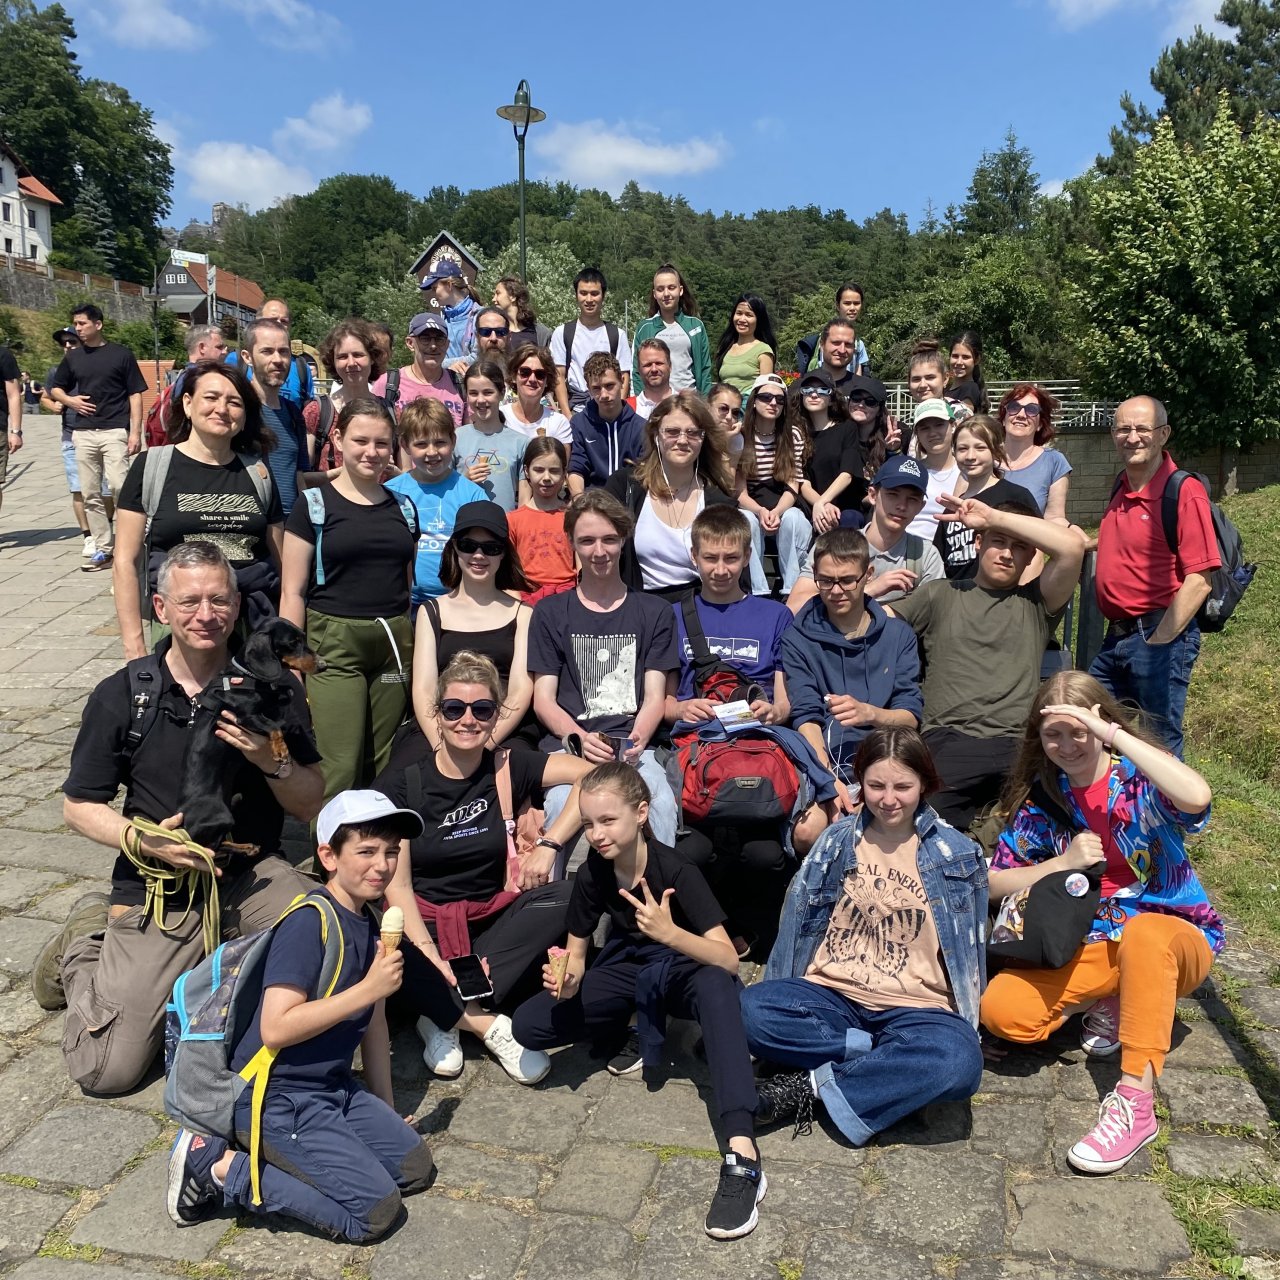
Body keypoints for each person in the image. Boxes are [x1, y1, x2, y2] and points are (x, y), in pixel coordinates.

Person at [34, 541, 323, 1094]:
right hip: (160, 885)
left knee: (331, 939)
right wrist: (141, 840)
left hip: (250, 874)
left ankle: (196, 973)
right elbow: (78, 807)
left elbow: (310, 801)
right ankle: (87, 939)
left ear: (239, 607)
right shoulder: (125, 695)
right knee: (107, 1072)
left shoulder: (276, 687)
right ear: (161, 609)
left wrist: (272, 760)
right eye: (189, 602)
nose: (206, 615)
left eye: (219, 600)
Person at [512, 763, 767, 1241]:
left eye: (608, 821)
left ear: (642, 813)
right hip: (631, 968)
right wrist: (565, 980)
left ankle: (742, 1153)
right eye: (589, 823)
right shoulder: (593, 872)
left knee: (718, 989)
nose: (597, 833)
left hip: (689, 966)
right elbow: (578, 951)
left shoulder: (677, 870)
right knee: (530, 1026)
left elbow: (728, 958)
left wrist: (670, 932)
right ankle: (632, 1025)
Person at [166, 790, 436, 1241]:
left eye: (391, 852)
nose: (383, 865)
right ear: (328, 855)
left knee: (414, 1169)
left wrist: (385, 1109)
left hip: (332, 1086)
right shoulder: (308, 923)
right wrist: (369, 988)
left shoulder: (370, 923)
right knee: (376, 1212)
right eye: (366, 851)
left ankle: (297, 1152)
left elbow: (374, 1023)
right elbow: (276, 1028)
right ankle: (218, 1166)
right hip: (276, 1097)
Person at [981, 672, 1221, 1173]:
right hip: (1094, 943)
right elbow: (991, 881)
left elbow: (1196, 797)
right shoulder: (1046, 799)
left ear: (1101, 724)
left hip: (1175, 938)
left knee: (1146, 932)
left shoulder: (1137, 780)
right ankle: (1116, 994)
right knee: (1004, 1013)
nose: (1067, 745)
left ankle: (1135, 1101)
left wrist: (1114, 735)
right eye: (1053, 735)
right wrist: (1057, 864)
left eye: (1079, 731)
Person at [740, 728, 986, 1147]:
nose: (889, 799)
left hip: (916, 1007)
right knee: (747, 1010)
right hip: (832, 996)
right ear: (860, 783)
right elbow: (798, 923)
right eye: (876, 785)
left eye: (903, 786)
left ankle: (809, 1088)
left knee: (960, 1062)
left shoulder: (958, 854)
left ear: (924, 783)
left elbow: (972, 950)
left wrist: (975, 1021)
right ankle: (884, 1070)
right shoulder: (836, 841)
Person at [376, 651, 591, 1082]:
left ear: (497, 717)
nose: (468, 720)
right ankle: (480, 1021)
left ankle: (438, 1012)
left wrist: (549, 845)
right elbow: (396, 889)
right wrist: (433, 957)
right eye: (454, 708)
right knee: (383, 944)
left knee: (575, 891)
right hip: (426, 922)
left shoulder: (508, 766)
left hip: (491, 916)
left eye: (482, 709)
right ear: (437, 715)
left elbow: (594, 777)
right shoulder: (402, 784)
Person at [889, 495, 1085, 830]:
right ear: (978, 543)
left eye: (1020, 547)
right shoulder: (940, 594)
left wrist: (994, 516)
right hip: (950, 739)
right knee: (922, 826)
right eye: (997, 542)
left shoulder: (1036, 604)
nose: (1007, 554)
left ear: (1030, 556)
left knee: (1065, 827)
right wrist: (874, 590)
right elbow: (872, 627)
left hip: (1019, 743)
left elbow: (1072, 548)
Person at [280, 398, 416, 801]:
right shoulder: (314, 505)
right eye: (361, 440)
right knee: (340, 760)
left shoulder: (404, 507)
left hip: (392, 640)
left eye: (381, 443)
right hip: (334, 642)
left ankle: (377, 850)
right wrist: (292, 665)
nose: (371, 452)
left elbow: (403, 583)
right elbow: (292, 591)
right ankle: (330, 858)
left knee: (386, 758)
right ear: (338, 438)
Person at [528, 490, 680, 848]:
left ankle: (656, 899)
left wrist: (635, 740)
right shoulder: (550, 613)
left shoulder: (654, 612)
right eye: (587, 541)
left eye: (610, 539)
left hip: (634, 748)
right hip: (570, 750)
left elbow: (655, 696)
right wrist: (580, 739)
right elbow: (543, 701)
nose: (599, 552)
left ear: (624, 539)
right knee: (561, 807)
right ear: (572, 543)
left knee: (659, 806)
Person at [113, 360, 283, 661]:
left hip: (250, 627)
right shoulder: (152, 467)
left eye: (234, 402)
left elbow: (281, 563)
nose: (222, 408)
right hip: (178, 627)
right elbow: (125, 560)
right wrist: (134, 645)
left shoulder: (259, 474)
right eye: (211, 397)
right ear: (188, 404)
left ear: (245, 416)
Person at [1088, 395, 1220, 758]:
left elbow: (1200, 578)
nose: (1132, 437)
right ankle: (1114, 809)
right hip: (1116, 635)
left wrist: (1158, 641)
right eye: (1123, 429)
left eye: (1142, 429)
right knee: (1089, 721)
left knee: (1158, 741)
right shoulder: (1122, 484)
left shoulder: (1183, 491)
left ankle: (1171, 814)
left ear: (1163, 434)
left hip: (1157, 633)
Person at [781, 529, 922, 799]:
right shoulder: (796, 638)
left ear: (868, 575)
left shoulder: (898, 635)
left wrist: (870, 714)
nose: (836, 591)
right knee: (808, 831)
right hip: (822, 757)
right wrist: (827, 779)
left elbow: (910, 717)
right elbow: (806, 715)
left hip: (886, 757)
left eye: (847, 581)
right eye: (825, 581)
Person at [403, 504, 533, 758]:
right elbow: (424, 689)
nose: (479, 555)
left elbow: (520, 690)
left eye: (491, 548)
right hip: (440, 728)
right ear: (454, 548)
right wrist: (443, 746)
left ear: (503, 554)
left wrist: (483, 744)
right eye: (468, 545)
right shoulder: (430, 612)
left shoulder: (524, 614)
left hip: (504, 732)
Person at [604, 390, 740, 598]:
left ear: (703, 439)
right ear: (656, 435)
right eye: (673, 432)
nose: (683, 440)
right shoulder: (625, 487)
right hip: (639, 607)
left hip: (697, 610)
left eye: (693, 433)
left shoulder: (718, 501)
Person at [46, 302, 146, 572]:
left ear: (98, 324)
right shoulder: (73, 357)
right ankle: (103, 548)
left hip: (115, 430)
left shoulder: (121, 354)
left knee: (118, 487)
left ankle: (132, 544)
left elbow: (135, 393)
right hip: (83, 432)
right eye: (76, 324)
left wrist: (135, 431)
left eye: (82, 324)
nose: (77, 329)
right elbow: (55, 389)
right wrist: (71, 401)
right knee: (90, 493)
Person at [787, 456, 946, 613]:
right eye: (893, 494)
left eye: (912, 499)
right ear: (872, 495)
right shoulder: (833, 546)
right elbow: (794, 608)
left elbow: (936, 615)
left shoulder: (925, 555)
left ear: (921, 506)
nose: (902, 506)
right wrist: (870, 591)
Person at [383, 398, 487, 606]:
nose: (432, 452)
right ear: (405, 445)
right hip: (404, 602)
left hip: (459, 601)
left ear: (453, 441)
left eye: (440, 442)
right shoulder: (391, 493)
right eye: (421, 444)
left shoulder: (473, 495)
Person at [935, 415, 1040, 578]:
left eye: (980, 448)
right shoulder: (953, 507)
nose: (970, 456)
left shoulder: (1016, 495)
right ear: (954, 452)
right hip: (957, 597)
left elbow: (1036, 551)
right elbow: (940, 561)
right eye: (963, 448)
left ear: (997, 450)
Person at [736, 373, 812, 594]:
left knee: (793, 518)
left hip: (783, 500)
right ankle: (758, 591)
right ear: (754, 401)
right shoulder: (741, 435)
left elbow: (792, 485)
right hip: (751, 502)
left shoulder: (792, 435)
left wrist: (777, 511)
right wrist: (760, 511)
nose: (773, 403)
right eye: (766, 397)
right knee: (746, 521)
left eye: (780, 400)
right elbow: (738, 491)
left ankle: (793, 590)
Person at [42, 328, 111, 559]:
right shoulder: (57, 371)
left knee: (106, 489)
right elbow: (46, 395)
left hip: (102, 432)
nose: (68, 346)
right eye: (64, 343)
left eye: (72, 342)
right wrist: (56, 405)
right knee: (79, 489)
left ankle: (105, 527)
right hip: (71, 435)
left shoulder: (98, 366)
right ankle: (88, 536)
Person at [242, 317, 310, 517]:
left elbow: (299, 474)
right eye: (267, 351)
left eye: (283, 352)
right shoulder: (237, 409)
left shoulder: (293, 413)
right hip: (249, 521)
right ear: (247, 357)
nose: (277, 360)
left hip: (289, 524)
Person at [305, 318, 389, 474]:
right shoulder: (317, 412)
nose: (351, 363)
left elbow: (406, 474)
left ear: (372, 358)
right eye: (342, 357)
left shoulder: (390, 412)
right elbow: (303, 476)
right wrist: (340, 475)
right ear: (333, 362)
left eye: (358, 355)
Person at [790, 367, 864, 535]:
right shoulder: (798, 433)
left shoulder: (847, 428)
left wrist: (823, 502)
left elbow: (847, 474)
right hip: (813, 507)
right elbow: (803, 482)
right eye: (807, 390)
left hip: (844, 507)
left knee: (848, 519)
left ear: (831, 399)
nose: (814, 394)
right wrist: (821, 505)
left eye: (822, 390)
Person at [550, 268, 631, 415]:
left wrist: (618, 413)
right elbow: (558, 376)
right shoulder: (562, 333)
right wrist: (567, 415)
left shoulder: (617, 335)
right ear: (576, 295)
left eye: (594, 294)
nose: (589, 300)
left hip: (609, 409)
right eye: (583, 293)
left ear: (603, 296)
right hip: (576, 410)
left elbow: (624, 377)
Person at [566, 352, 646, 495]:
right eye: (596, 388)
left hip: (629, 503)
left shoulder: (641, 427)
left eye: (609, 386)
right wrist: (579, 499)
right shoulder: (579, 424)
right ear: (588, 387)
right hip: (592, 503)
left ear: (622, 381)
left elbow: (645, 475)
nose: (603, 395)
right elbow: (576, 469)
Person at [508, 437, 576, 603]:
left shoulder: (574, 516)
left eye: (554, 470)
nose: (546, 477)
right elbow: (508, 570)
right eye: (538, 470)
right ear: (526, 471)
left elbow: (582, 566)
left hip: (567, 597)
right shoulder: (513, 520)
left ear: (564, 472)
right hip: (526, 599)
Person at [370, 312, 465, 427]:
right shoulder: (388, 384)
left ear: (447, 344)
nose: (433, 346)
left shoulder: (460, 384)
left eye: (439, 339)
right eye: (425, 339)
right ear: (410, 343)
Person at [454, 360, 525, 512]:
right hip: (465, 526)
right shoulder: (455, 438)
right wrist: (464, 480)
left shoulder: (521, 442)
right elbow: (444, 490)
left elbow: (524, 500)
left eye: (488, 392)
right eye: (473, 393)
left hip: (504, 527)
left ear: (501, 393)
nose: (480, 400)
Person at [995, 384, 1072, 524]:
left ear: (1040, 425)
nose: (1021, 415)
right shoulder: (983, 457)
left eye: (1031, 410)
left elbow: (1055, 518)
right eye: (1014, 407)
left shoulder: (1054, 462)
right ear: (1004, 418)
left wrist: (1080, 540)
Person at [631, 264, 712, 394]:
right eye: (660, 289)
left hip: (689, 401)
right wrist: (642, 404)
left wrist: (705, 404)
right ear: (655, 294)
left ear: (680, 290)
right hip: (656, 403)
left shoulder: (696, 326)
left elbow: (705, 370)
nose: (666, 294)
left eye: (671, 288)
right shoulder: (644, 328)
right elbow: (636, 371)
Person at [226, 299, 315, 407]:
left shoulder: (301, 368)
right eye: (272, 320)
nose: (278, 324)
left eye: (284, 321)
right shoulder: (236, 360)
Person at [904, 398, 961, 539]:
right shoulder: (910, 471)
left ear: (953, 426)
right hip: (910, 550)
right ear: (917, 433)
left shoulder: (969, 471)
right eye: (924, 428)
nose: (932, 433)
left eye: (939, 425)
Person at [419, 259, 483, 375]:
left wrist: (440, 364)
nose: (433, 294)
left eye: (435, 288)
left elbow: (478, 358)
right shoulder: (441, 319)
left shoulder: (480, 317)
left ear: (449, 285)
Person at [504, 344, 572, 444]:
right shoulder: (499, 418)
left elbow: (562, 459)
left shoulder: (558, 423)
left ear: (547, 381)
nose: (532, 379)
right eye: (525, 372)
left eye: (540, 374)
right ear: (514, 376)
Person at [796, 282, 869, 376]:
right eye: (847, 303)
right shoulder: (826, 338)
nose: (852, 308)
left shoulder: (859, 344)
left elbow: (858, 378)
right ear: (838, 305)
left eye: (856, 303)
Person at [713, 293, 776, 394]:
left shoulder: (763, 350)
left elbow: (766, 391)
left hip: (748, 407)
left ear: (758, 320)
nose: (742, 319)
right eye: (739, 313)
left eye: (749, 315)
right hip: (726, 406)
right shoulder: (726, 347)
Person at [493, 276, 551, 351]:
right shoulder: (494, 332)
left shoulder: (541, 334)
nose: (494, 299)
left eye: (498, 293)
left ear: (513, 296)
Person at [810, 318, 861, 395]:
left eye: (848, 344)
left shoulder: (865, 390)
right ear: (822, 345)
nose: (842, 350)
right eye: (836, 343)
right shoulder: (803, 387)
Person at [630, 338, 673, 419]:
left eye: (659, 363)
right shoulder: (628, 409)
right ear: (639, 369)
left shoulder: (685, 405)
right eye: (648, 365)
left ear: (670, 366)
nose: (654, 369)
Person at [947, 330, 988, 412]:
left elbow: (961, 420)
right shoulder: (946, 389)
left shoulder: (970, 388)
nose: (959, 362)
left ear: (976, 360)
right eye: (955, 356)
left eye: (965, 357)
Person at [709, 382, 745, 466]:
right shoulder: (695, 434)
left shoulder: (736, 438)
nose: (729, 417)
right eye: (723, 408)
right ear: (708, 407)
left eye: (735, 412)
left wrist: (725, 440)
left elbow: (728, 478)